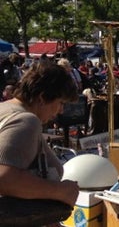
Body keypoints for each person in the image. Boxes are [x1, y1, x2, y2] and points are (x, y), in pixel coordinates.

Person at [0, 61, 80, 208]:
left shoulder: (5, 110)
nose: (61, 110)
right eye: (61, 102)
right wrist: (60, 191)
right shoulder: (25, 120)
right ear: (43, 98)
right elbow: (4, 178)